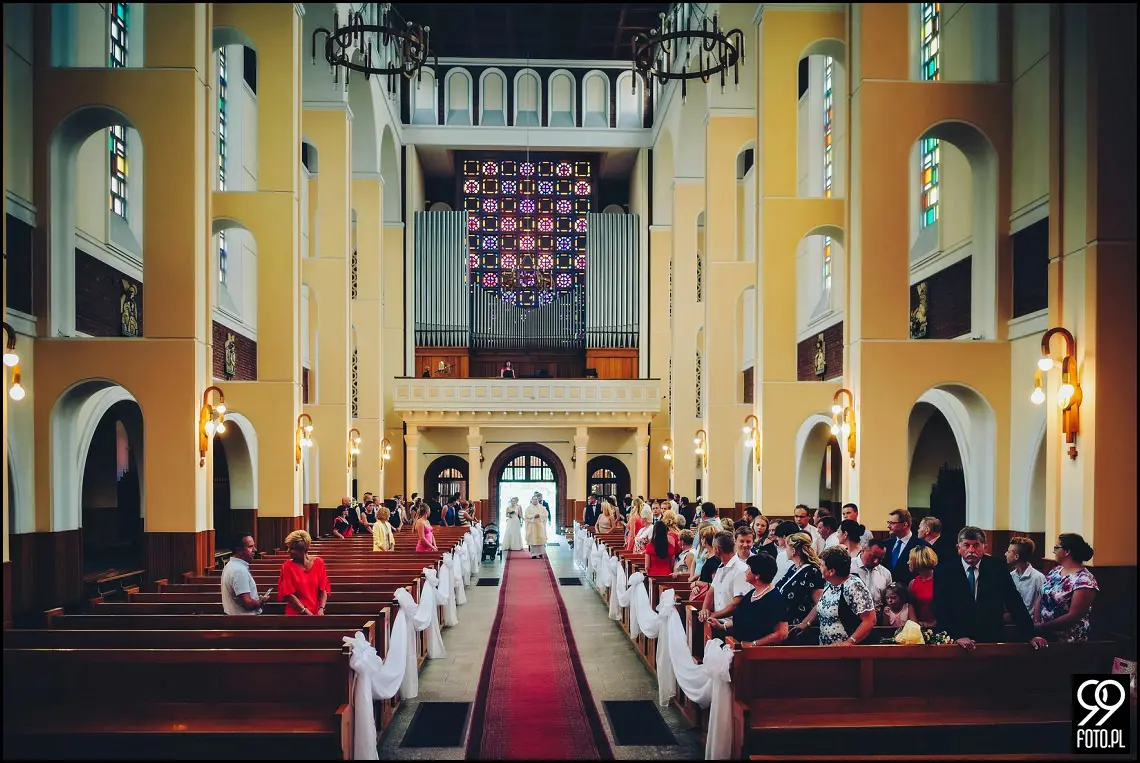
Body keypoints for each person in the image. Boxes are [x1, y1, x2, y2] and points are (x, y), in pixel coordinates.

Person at [932, 526, 1046, 650]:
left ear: (984, 547)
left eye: (976, 545)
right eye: (966, 545)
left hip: (990, 637)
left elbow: (1014, 601)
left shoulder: (997, 567)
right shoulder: (945, 570)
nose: (971, 550)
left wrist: (1030, 635)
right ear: (959, 548)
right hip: (956, 639)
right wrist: (956, 636)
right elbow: (941, 606)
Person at [710, 553, 790, 648]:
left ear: (757, 576)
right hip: (737, 645)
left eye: (748, 568)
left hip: (757, 654)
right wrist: (721, 626)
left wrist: (754, 644)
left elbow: (782, 633)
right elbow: (742, 619)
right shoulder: (752, 593)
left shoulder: (775, 599)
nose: (746, 571)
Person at [803, 546, 877, 646]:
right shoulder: (830, 583)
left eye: (822, 565)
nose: (819, 567)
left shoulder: (854, 586)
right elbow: (821, 603)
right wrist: (805, 623)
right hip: (826, 648)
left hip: (847, 652)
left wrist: (849, 642)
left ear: (832, 571)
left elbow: (870, 620)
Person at [1037, 533, 1098, 642]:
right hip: (1044, 634)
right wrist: (1036, 622)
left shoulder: (1085, 580)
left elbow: (1073, 616)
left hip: (1068, 639)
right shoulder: (1055, 571)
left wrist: (1042, 627)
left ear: (1067, 551)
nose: (1054, 551)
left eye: (1057, 548)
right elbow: (1040, 595)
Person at [780, 532, 826, 632]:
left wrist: (806, 623)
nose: (785, 550)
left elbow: (820, 602)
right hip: (788, 624)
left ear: (793, 550)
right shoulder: (793, 568)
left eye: (787, 547)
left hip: (800, 628)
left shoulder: (811, 572)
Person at [277, 530, 331, 616]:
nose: (288, 551)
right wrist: (305, 612)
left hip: (316, 613)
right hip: (296, 614)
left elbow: (323, 589)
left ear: (304, 550)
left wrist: (321, 608)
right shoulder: (287, 566)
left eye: (292, 549)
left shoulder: (319, 563)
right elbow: (289, 595)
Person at [221, 533, 272, 615]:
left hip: (236, 619)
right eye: (250, 546)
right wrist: (261, 601)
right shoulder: (239, 570)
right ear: (239, 550)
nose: (255, 550)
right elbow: (248, 604)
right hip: (246, 621)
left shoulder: (230, 565)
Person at [884, 508, 929, 589]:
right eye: (888, 522)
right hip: (887, 595)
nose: (888, 526)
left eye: (892, 523)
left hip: (910, 593)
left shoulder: (922, 546)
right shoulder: (886, 544)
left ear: (905, 525)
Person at [1006, 536, 1045, 623]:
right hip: (1013, 622)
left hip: (1030, 623)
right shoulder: (1011, 576)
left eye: (1008, 552)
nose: (1006, 554)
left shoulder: (1038, 578)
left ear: (1016, 556)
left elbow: (1042, 605)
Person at [906, 545, 938, 626]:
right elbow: (910, 605)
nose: (908, 562)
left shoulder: (940, 581)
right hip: (919, 629)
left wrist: (934, 624)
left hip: (939, 628)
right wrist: (915, 625)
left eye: (910, 559)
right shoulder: (913, 583)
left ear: (919, 560)